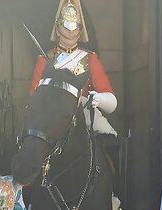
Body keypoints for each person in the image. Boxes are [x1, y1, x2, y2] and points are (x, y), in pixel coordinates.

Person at [29, 0, 118, 138]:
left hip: (83, 113)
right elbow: (33, 99)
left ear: (80, 30)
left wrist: (99, 99)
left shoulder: (90, 59)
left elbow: (112, 102)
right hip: (52, 117)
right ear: (58, 29)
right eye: (66, 26)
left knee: (110, 138)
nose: (71, 32)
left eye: (75, 27)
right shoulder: (45, 60)